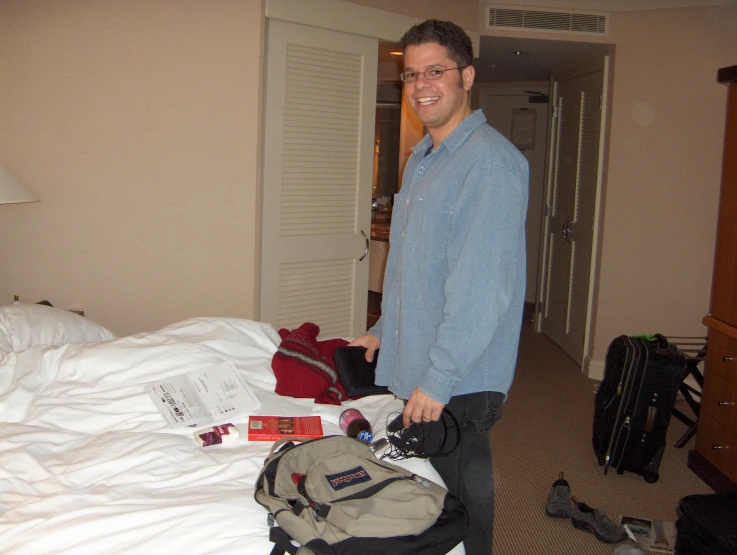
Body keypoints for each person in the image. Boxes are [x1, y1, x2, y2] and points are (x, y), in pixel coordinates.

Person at [349, 19, 529, 555]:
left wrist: (439, 377)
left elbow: (481, 288)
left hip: (460, 376)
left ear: (466, 77)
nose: (421, 85)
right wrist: (383, 329)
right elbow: (409, 266)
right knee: (429, 490)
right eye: (411, 74)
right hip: (425, 361)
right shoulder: (421, 160)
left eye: (436, 71)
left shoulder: (491, 164)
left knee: (466, 497)